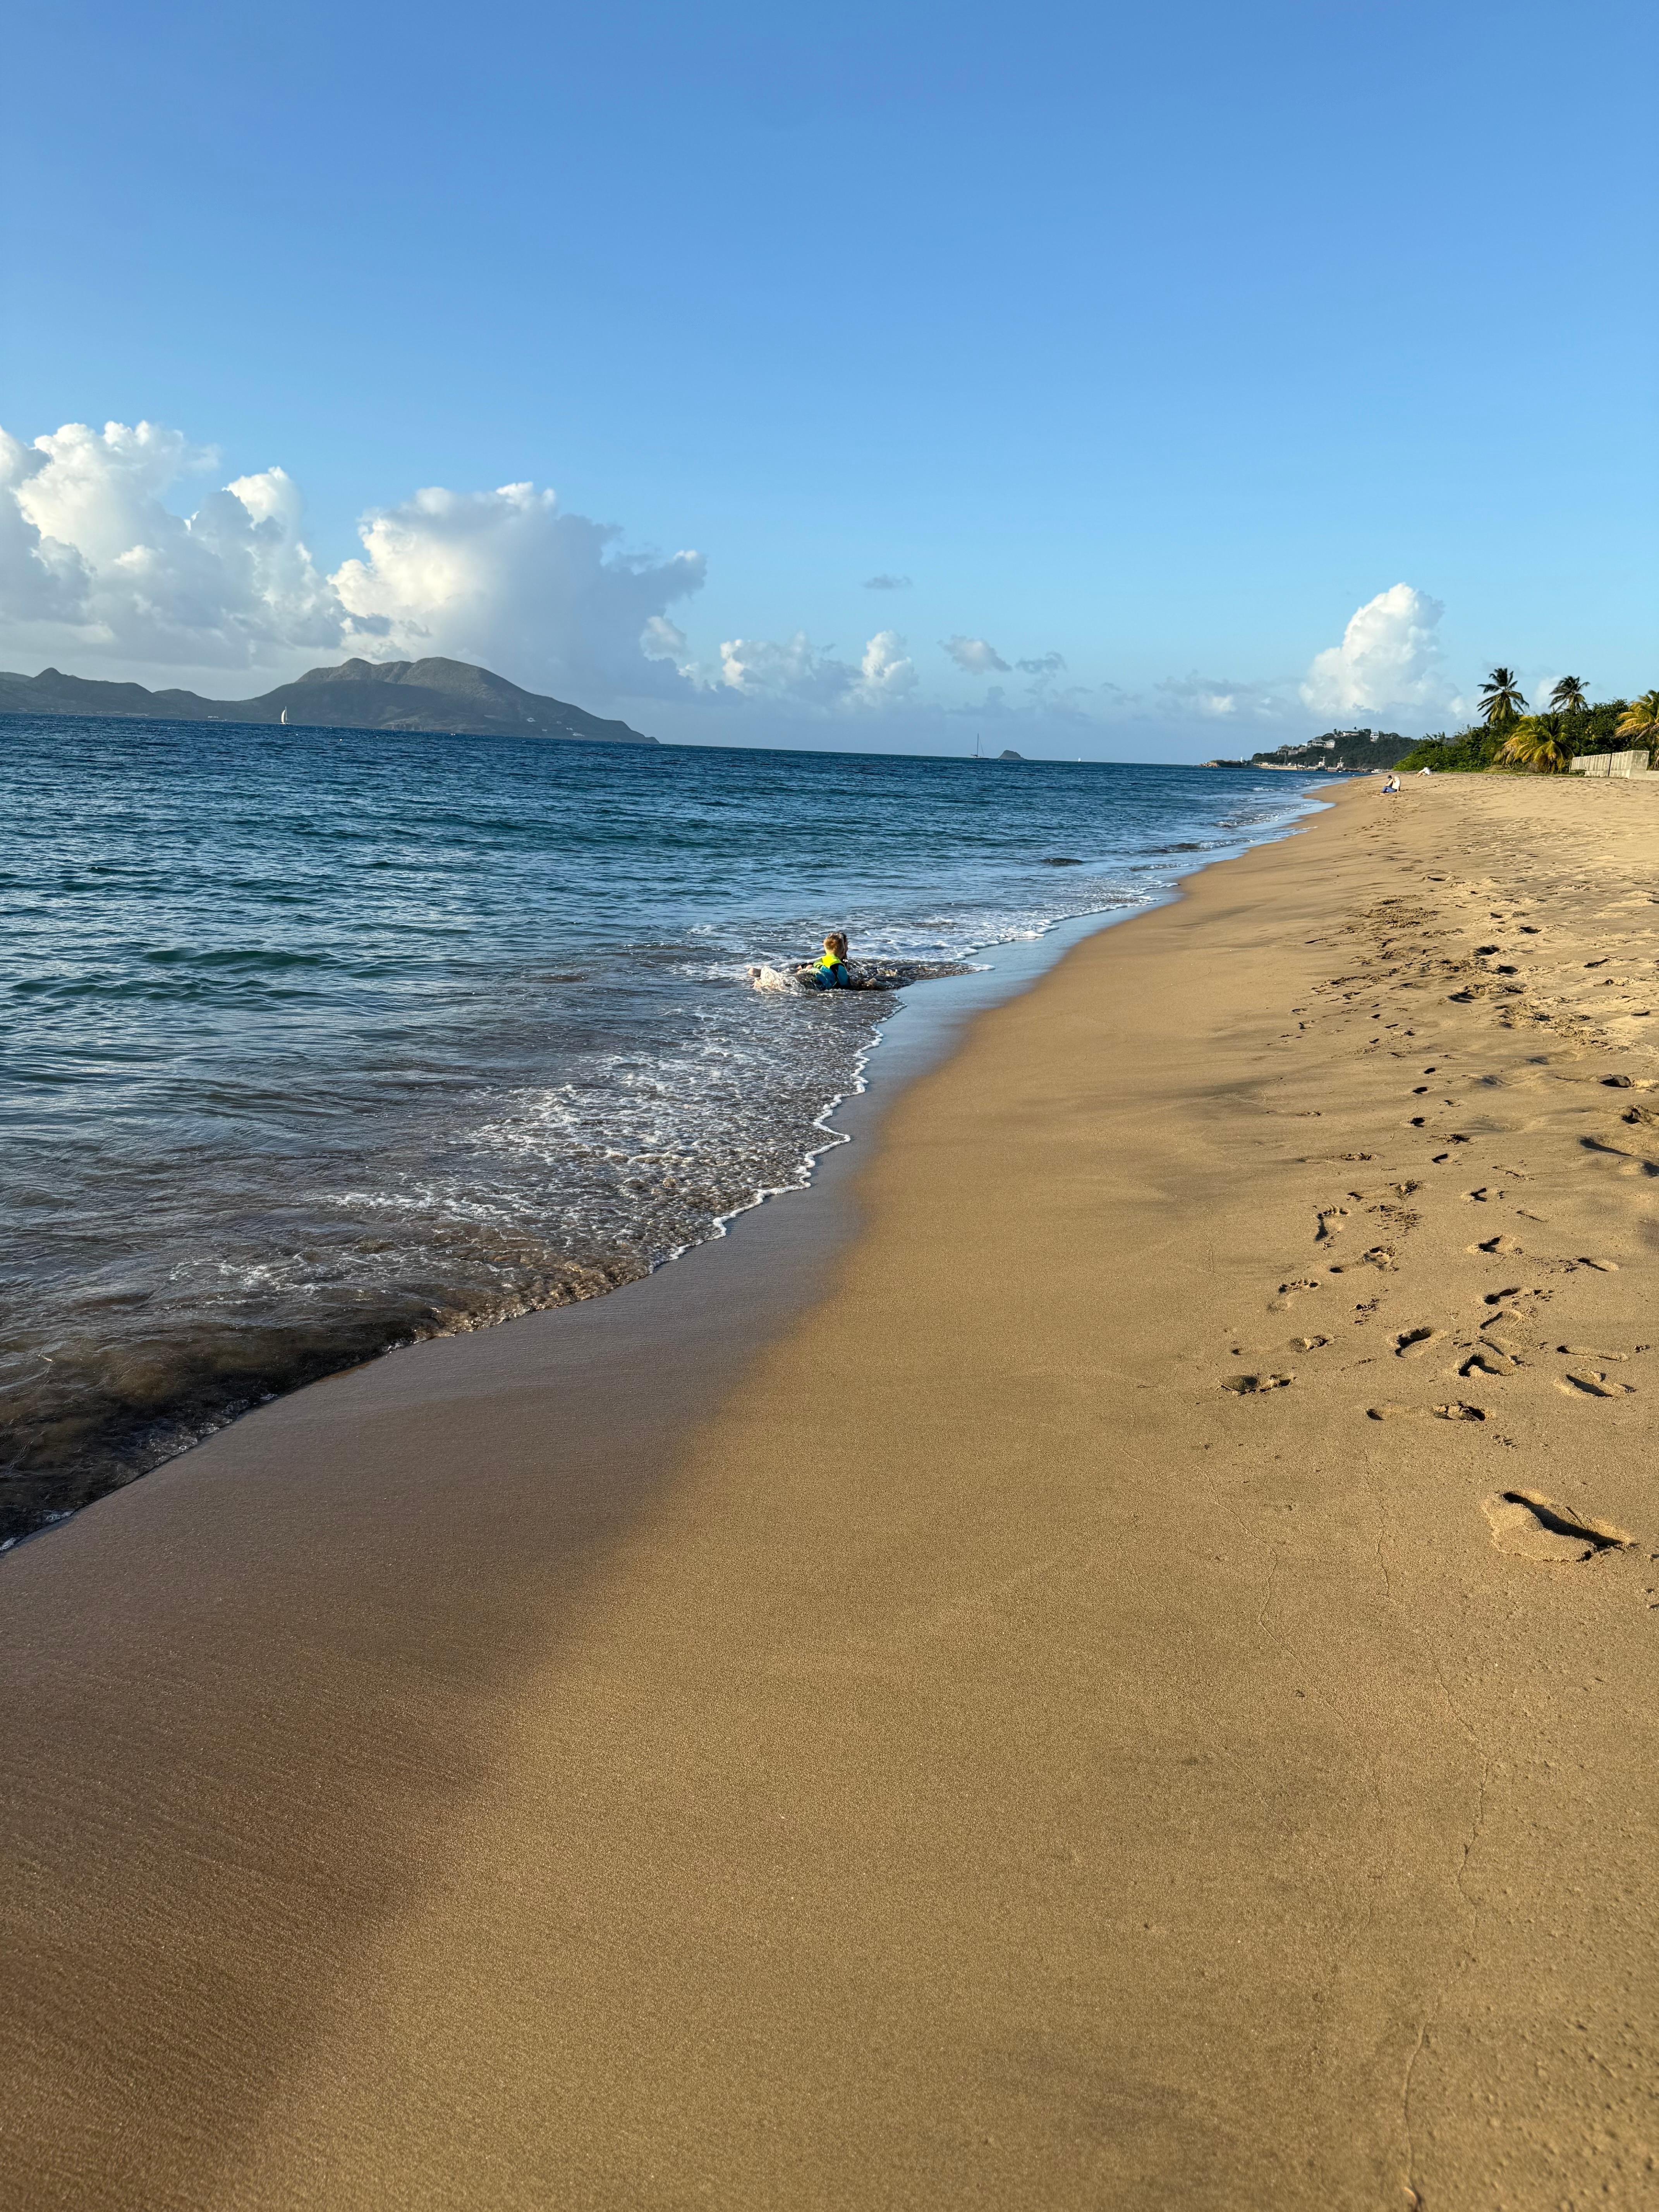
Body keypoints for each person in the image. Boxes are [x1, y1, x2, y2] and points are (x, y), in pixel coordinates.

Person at [797, 931, 879, 989]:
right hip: (820, 986)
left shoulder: (819, 961)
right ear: (843, 951)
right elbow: (847, 985)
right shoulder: (838, 966)